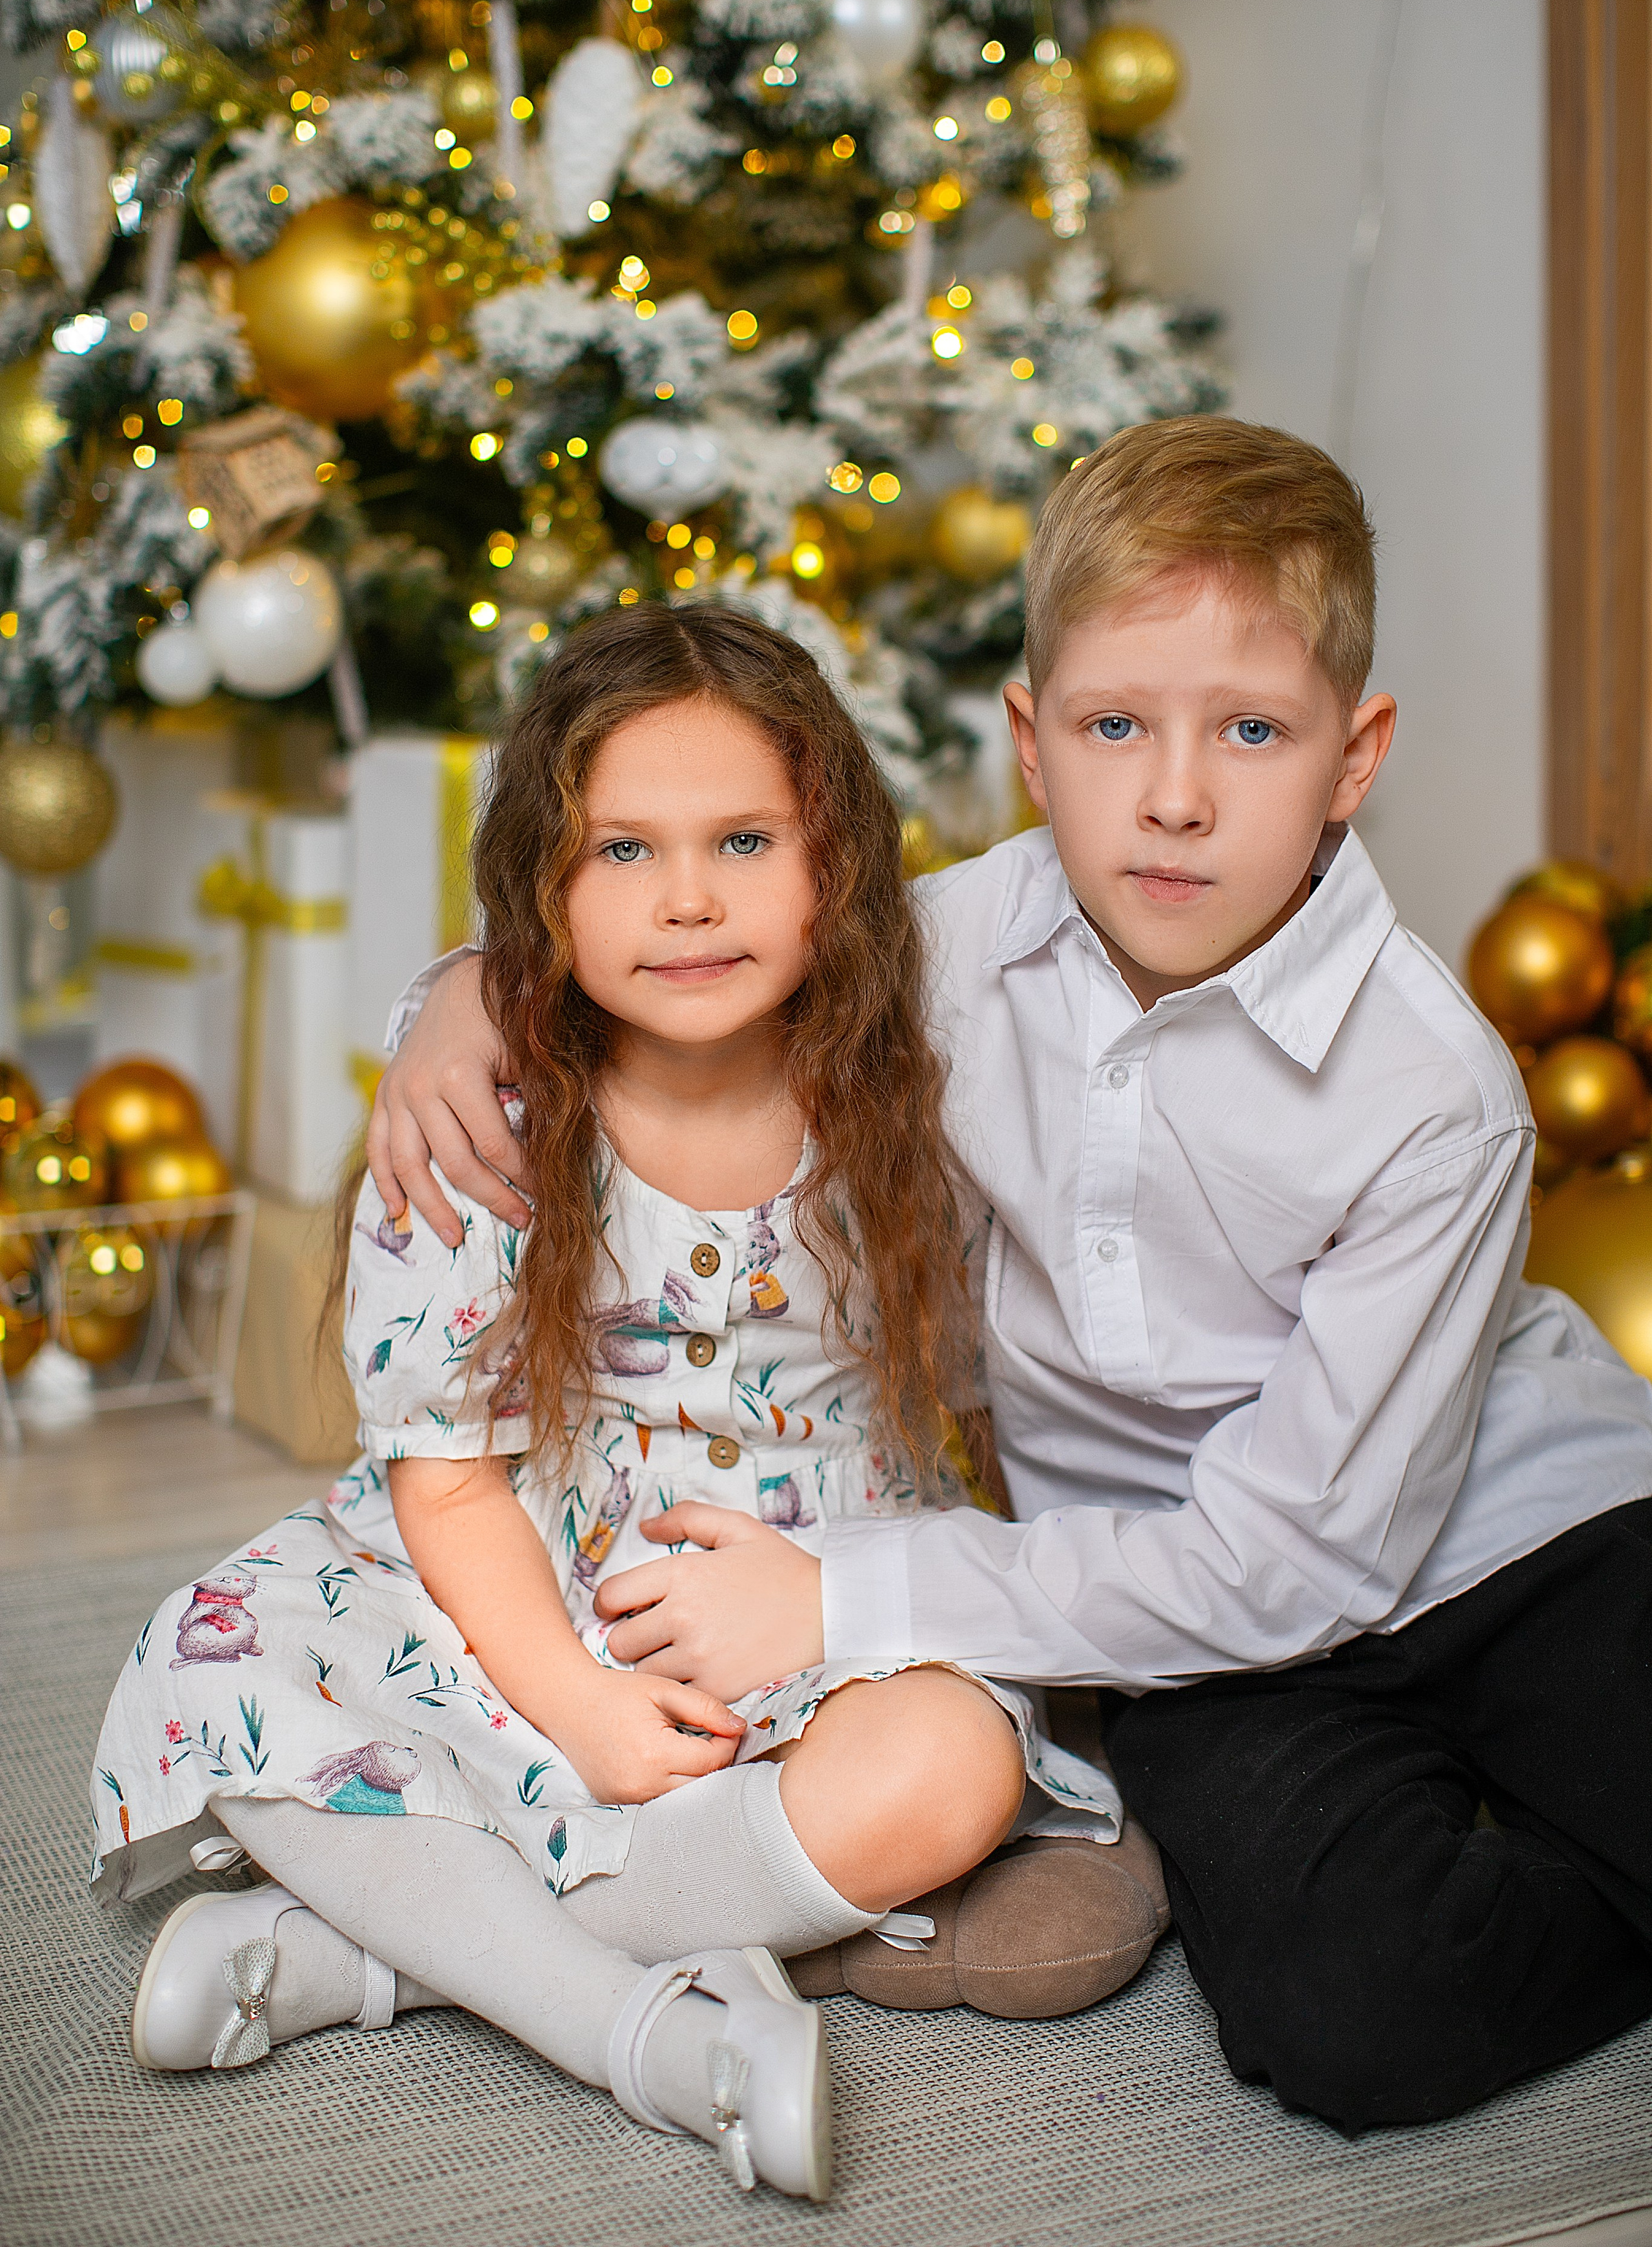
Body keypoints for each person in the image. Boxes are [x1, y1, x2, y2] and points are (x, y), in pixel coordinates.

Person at [374, 418, 1652, 2137]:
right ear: (1033, 744)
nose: (1176, 796)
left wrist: (846, 1591)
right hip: (1158, 1618)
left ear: (1356, 759)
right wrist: (457, 1001)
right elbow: (676, 944)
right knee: (1356, 2025)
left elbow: (1294, 1560)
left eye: (1252, 733)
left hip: (1524, 1536)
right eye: (1118, 726)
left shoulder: (1437, 1094)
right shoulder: (943, 948)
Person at [92, 606, 1153, 2206]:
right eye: (620, 854)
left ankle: (383, 1954)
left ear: (835, 867)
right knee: (235, 1662)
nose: (689, 900)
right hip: (519, 1590)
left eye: (743, 839)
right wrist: (575, 1707)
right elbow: (443, 1480)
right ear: (540, 888)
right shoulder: (486, 1123)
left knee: (952, 1770)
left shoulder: (904, 1070)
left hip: (818, 1587)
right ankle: (636, 2030)